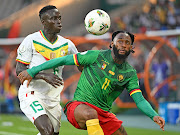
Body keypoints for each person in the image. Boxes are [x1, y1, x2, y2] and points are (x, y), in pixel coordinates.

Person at [18, 31, 165, 135]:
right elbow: (62, 60)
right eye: (120, 41)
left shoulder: (130, 73)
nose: (123, 45)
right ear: (111, 44)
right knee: (90, 113)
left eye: (127, 43)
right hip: (78, 108)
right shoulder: (95, 56)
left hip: (104, 114)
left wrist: (153, 115)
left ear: (131, 48)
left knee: (121, 132)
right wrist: (32, 71)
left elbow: (139, 99)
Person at [16, 5, 82, 135]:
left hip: (53, 98)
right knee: (47, 131)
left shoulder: (68, 45)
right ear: (43, 22)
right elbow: (20, 71)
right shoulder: (31, 40)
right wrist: (44, 76)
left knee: (52, 134)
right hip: (32, 93)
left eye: (59, 18)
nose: (58, 21)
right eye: (53, 18)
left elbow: (81, 66)